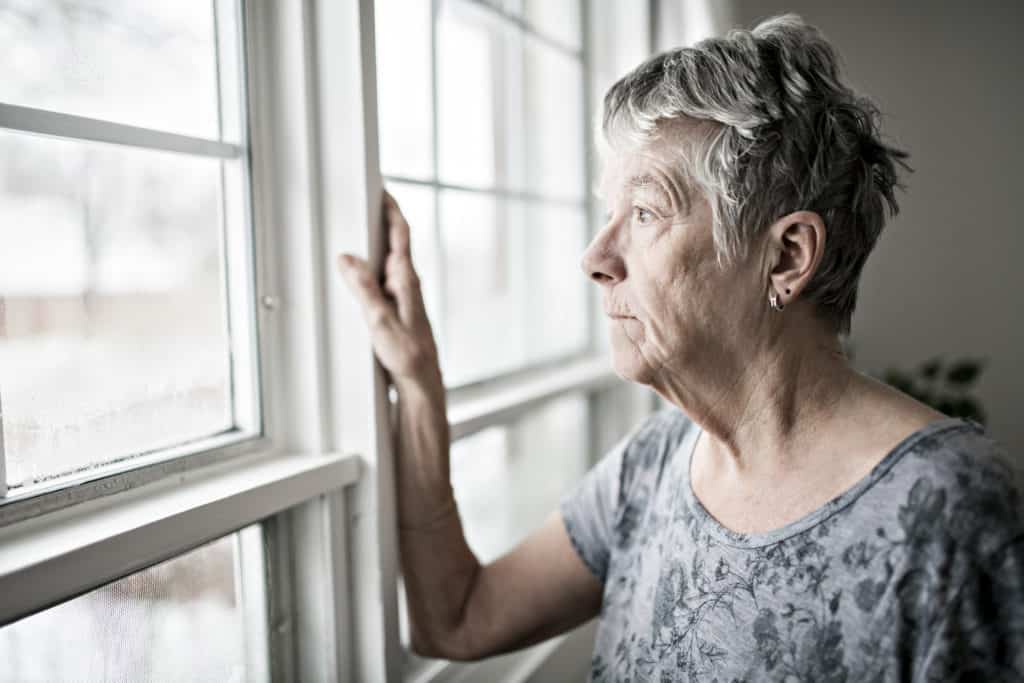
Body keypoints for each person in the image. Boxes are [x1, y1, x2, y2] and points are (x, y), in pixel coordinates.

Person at [338, 14, 1023, 682]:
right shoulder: (656, 459)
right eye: (608, 214)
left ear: (786, 256)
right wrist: (420, 386)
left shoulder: (949, 512)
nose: (595, 257)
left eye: (644, 212)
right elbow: (457, 618)